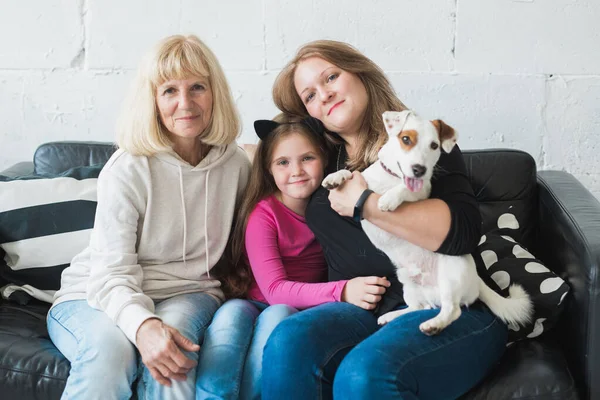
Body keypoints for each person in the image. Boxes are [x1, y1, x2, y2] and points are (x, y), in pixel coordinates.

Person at [261, 40, 509, 400]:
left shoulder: (419, 141)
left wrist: (365, 203)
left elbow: (463, 233)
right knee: (287, 341)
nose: (324, 96)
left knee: (363, 374)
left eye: (331, 77)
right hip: (363, 310)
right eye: (310, 96)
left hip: (447, 302)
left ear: (361, 73)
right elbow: (270, 158)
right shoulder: (319, 160)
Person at [46, 34, 250, 400]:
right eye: (169, 90)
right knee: (109, 353)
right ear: (152, 101)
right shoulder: (127, 169)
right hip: (96, 294)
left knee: (175, 359)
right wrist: (142, 325)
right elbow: (109, 274)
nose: (185, 103)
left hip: (189, 292)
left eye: (197, 87)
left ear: (214, 92)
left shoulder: (236, 165)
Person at [195, 115, 391, 400]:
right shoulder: (264, 214)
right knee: (229, 317)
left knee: (280, 315)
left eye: (307, 158)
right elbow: (274, 290)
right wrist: (344, 290)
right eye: (283, 163)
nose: (296, 171)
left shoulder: (336, 205)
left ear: (324, 159)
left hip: (297, 309)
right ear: (269, 169)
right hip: (255, 300)